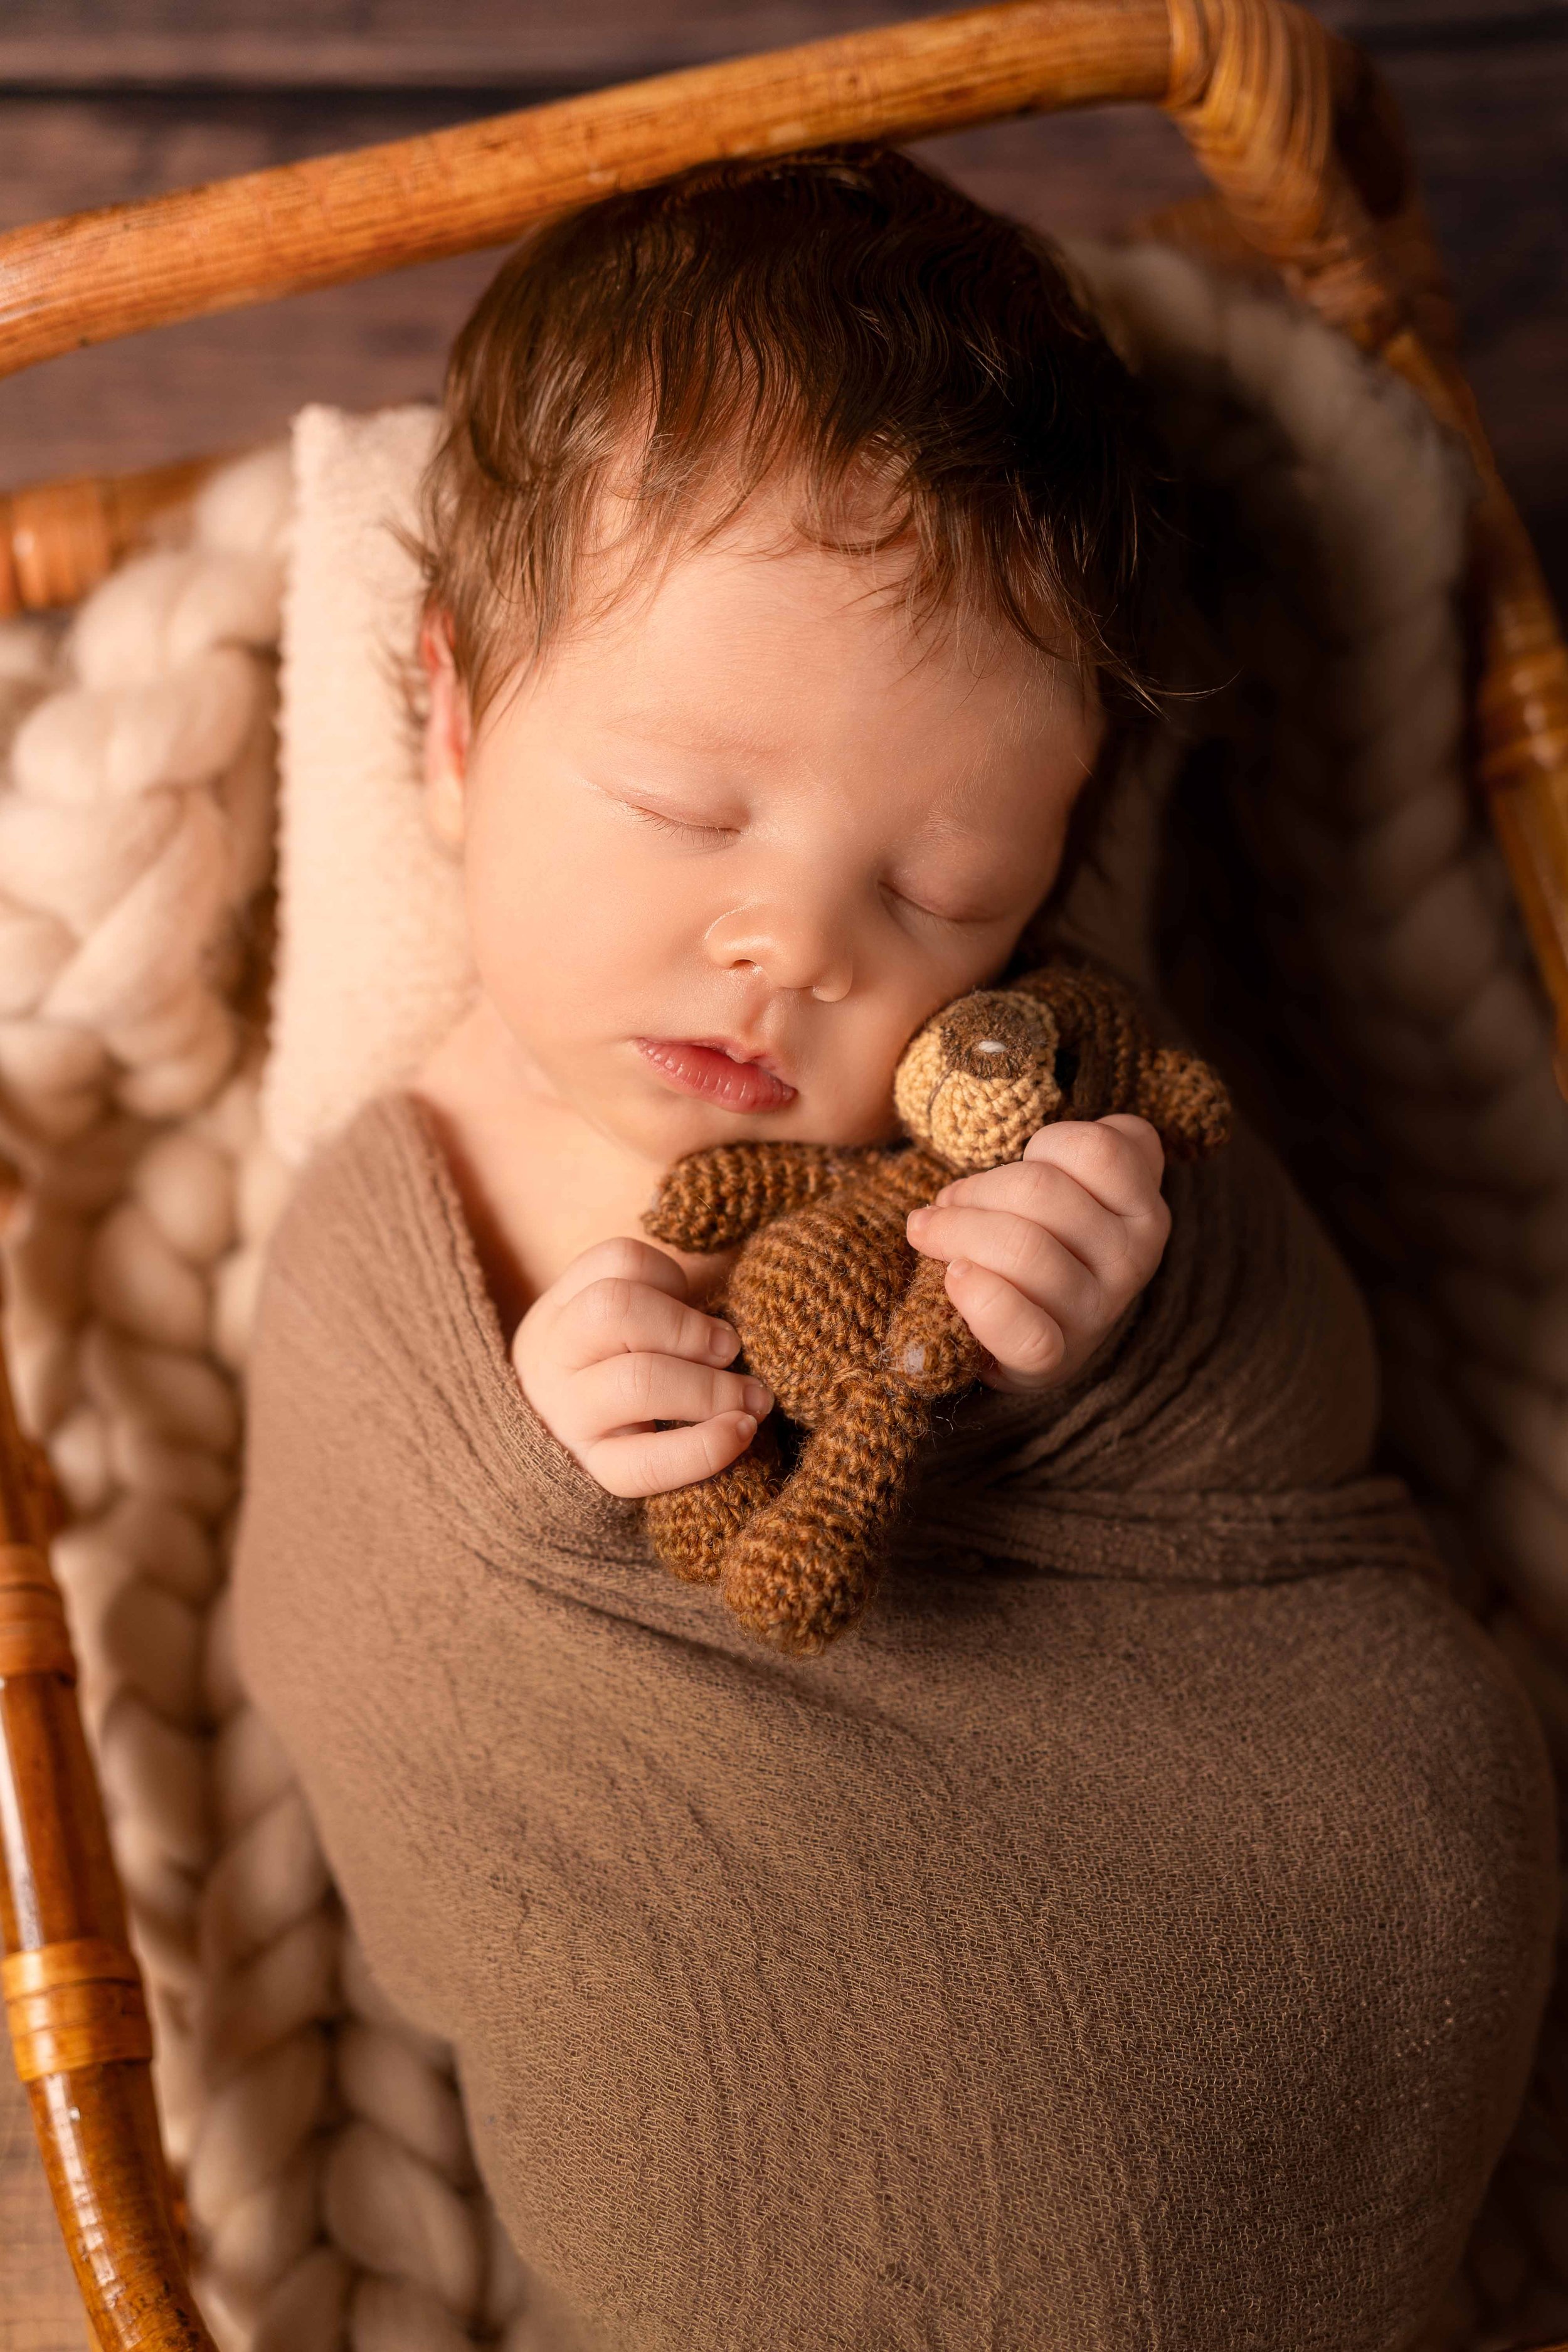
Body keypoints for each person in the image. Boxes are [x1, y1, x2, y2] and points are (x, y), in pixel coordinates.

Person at [232, 149, 1557, 2351]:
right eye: (684, 810)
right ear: (455, 724)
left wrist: (1110, 1332)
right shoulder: (402, 1196)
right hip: (729, 1995)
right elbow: (353, 1613)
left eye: (941, 890)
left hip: (1263, 1849)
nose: (792, 949)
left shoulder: (1023, 1096)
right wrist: (549, 1471)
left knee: (1407, 1824)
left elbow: (1299, 1431)